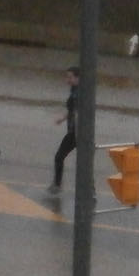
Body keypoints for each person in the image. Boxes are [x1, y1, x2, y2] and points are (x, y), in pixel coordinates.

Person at [48, 65, 80, 195]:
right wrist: (63, 119)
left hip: (77, 132)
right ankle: (57, 184)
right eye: (67, 77)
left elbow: (79, 111)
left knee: (59, 157)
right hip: (74, 131)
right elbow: (72, 109)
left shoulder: (81, 93)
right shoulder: (74, 90)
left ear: (78, 78)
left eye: (70, 77)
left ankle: (57, 185)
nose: (67, 80)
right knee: (83, 162)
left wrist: (76, 123)